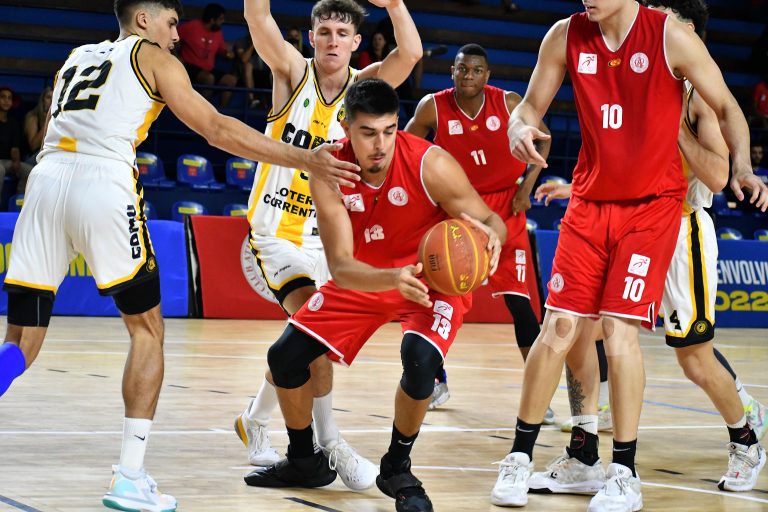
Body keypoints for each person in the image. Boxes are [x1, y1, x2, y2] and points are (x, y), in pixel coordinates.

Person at [0, 1, 360, 511]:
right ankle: (129, 477)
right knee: (147, 331)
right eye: (171, 24)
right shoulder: (152, 56)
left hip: (44, 181)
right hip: (102, 181)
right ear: (143, 20)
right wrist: (306, 158)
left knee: (20, 343)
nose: (176, 36)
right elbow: (217, 129)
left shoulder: (78, 56)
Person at [489, 0, 768, 510]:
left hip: (677, 225)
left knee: (693, 357)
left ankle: (745, 434)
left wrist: (712, 150)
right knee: (572, 329)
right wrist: (522, 133)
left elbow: (716, 173)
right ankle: (580, 452)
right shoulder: (572, 36)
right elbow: (566, 125)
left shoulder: (689, 82)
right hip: (605, 211)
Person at [243, 77, 506, 512]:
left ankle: (397, 468)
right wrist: (390, 278)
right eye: (367, 133)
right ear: (346, 127)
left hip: (430, 281)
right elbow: (342, 267)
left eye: (389, 130)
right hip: (368, 277)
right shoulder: (329, 170)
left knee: (421, 363)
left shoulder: (431, 164)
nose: (380, 144)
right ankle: (304, 461)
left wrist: (492, 239)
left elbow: (489, 219)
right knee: (284, 357)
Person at [235, 0, 422, 492]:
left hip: (330, 243)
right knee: (313, 335)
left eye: (342, 33)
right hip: (276, 234)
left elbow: (410, 53)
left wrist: (395, 5)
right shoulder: (291, 72)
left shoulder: (364, 90)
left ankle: (254, 419)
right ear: (311, 36)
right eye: (324, 31)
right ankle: (329, 443)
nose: (333, 40)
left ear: (357, 42)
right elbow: (258, 18)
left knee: (300, 345)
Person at [404, 43, 553, 419]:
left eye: (475, 70)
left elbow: (544, 137)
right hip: (457, 207)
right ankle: (436, 380)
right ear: (452, 71)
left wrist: (526, 187)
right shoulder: (432, 107)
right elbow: (406, 150)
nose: (467, 75)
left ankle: (539, 397)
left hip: (506, 208)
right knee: (437, 300)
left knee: (521, 306)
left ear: (487, 75)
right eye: (461, 69)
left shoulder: (508, 102)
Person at [177, 3, 237, 107]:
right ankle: (202, 111)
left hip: (208, 69)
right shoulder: (191, 26)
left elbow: (221, 49)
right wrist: (176, 56)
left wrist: (227, 54)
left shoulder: (218, 33)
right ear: (212, 20)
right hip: (189, 68)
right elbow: (172, 38)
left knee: (231, 80)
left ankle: (223, 111)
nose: (223, 21)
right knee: (209, 78)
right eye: (221, 19)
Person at [0, 86, 34, 197]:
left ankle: (18, 202)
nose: (6, 101)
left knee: (30, 171)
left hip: (8, 162)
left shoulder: (13, 123)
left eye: (9, 98)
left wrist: (16, 161)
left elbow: (15, 147)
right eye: (3, 97)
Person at [233, 34, 271, 108]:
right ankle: (252, 99)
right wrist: (253, 43)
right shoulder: (241, 42)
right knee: (248, 66)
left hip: (263, 74)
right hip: (245, 75)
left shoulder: (267, 42)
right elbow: (244, 59)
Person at [23, 86, 53, 166]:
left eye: (54, 98)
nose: (52, 101)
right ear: (42, 100)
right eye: (48, 97)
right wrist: (48, 120)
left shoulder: (59, 118)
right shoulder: (33, 117)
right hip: (31, 158)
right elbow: (33, 145)